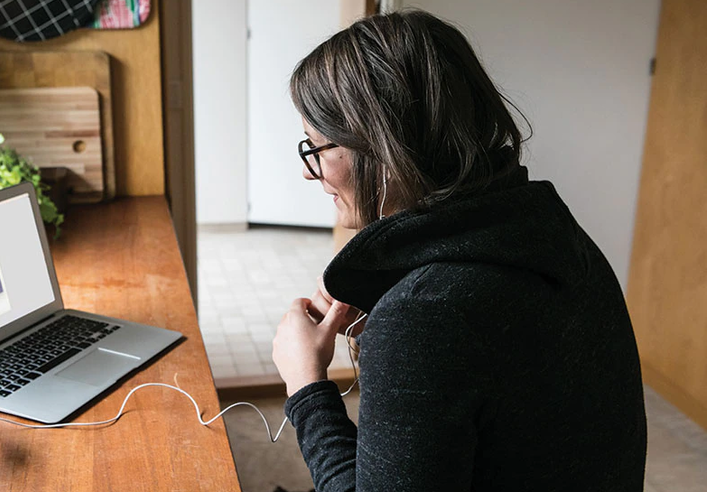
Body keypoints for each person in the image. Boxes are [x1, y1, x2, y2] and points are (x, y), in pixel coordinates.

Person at [271, 10, 647, 491]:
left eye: (317, 147)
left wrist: (306, 384)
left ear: (383, 149)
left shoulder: (426, 314)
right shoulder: (553, 233)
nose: (309, 171)